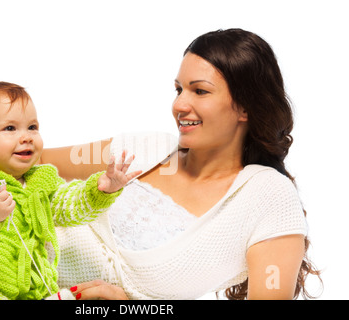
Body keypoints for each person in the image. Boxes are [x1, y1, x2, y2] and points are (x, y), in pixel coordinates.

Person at [40, 28, 322, 300]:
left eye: (200, 91)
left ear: (245, 107)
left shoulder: (268, 196)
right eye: (179, 90)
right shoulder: (143, 148)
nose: (179, 105)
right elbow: (26, 160)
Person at [0, 81, 140, 300]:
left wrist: (101, 191)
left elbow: (69, 205)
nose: (27, 137)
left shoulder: (39, 185)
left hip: (26, 292)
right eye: (10, 128)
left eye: (32, 127)